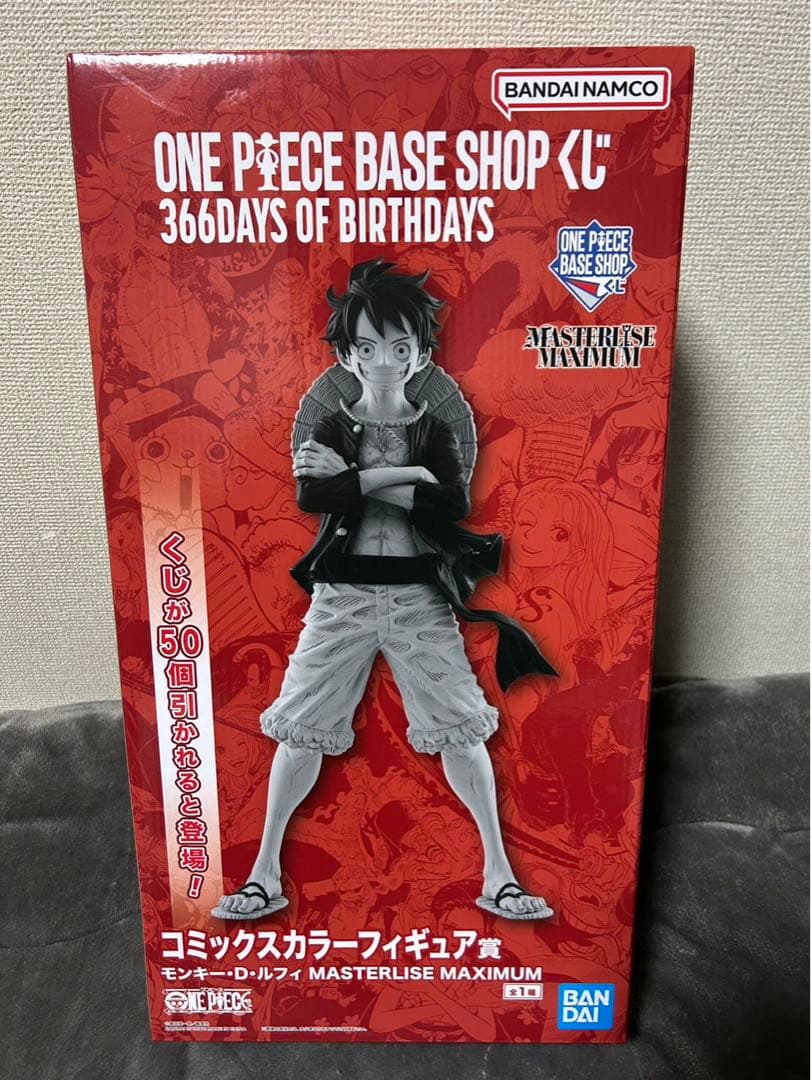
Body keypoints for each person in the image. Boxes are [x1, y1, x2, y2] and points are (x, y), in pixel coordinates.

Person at [212, 259, 556, 923]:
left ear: (421, 354)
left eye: (400, 348)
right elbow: (314, 495)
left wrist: (360, 479)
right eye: (367, 348)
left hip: (420, 597)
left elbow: (449, 505)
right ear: (346, 354)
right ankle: (263, 876)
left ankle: (499, 876)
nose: (383, 361)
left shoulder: (435, 425)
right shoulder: (330, 424)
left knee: (461, 729)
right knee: (300, 729)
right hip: (340, 595)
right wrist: (398, 478)